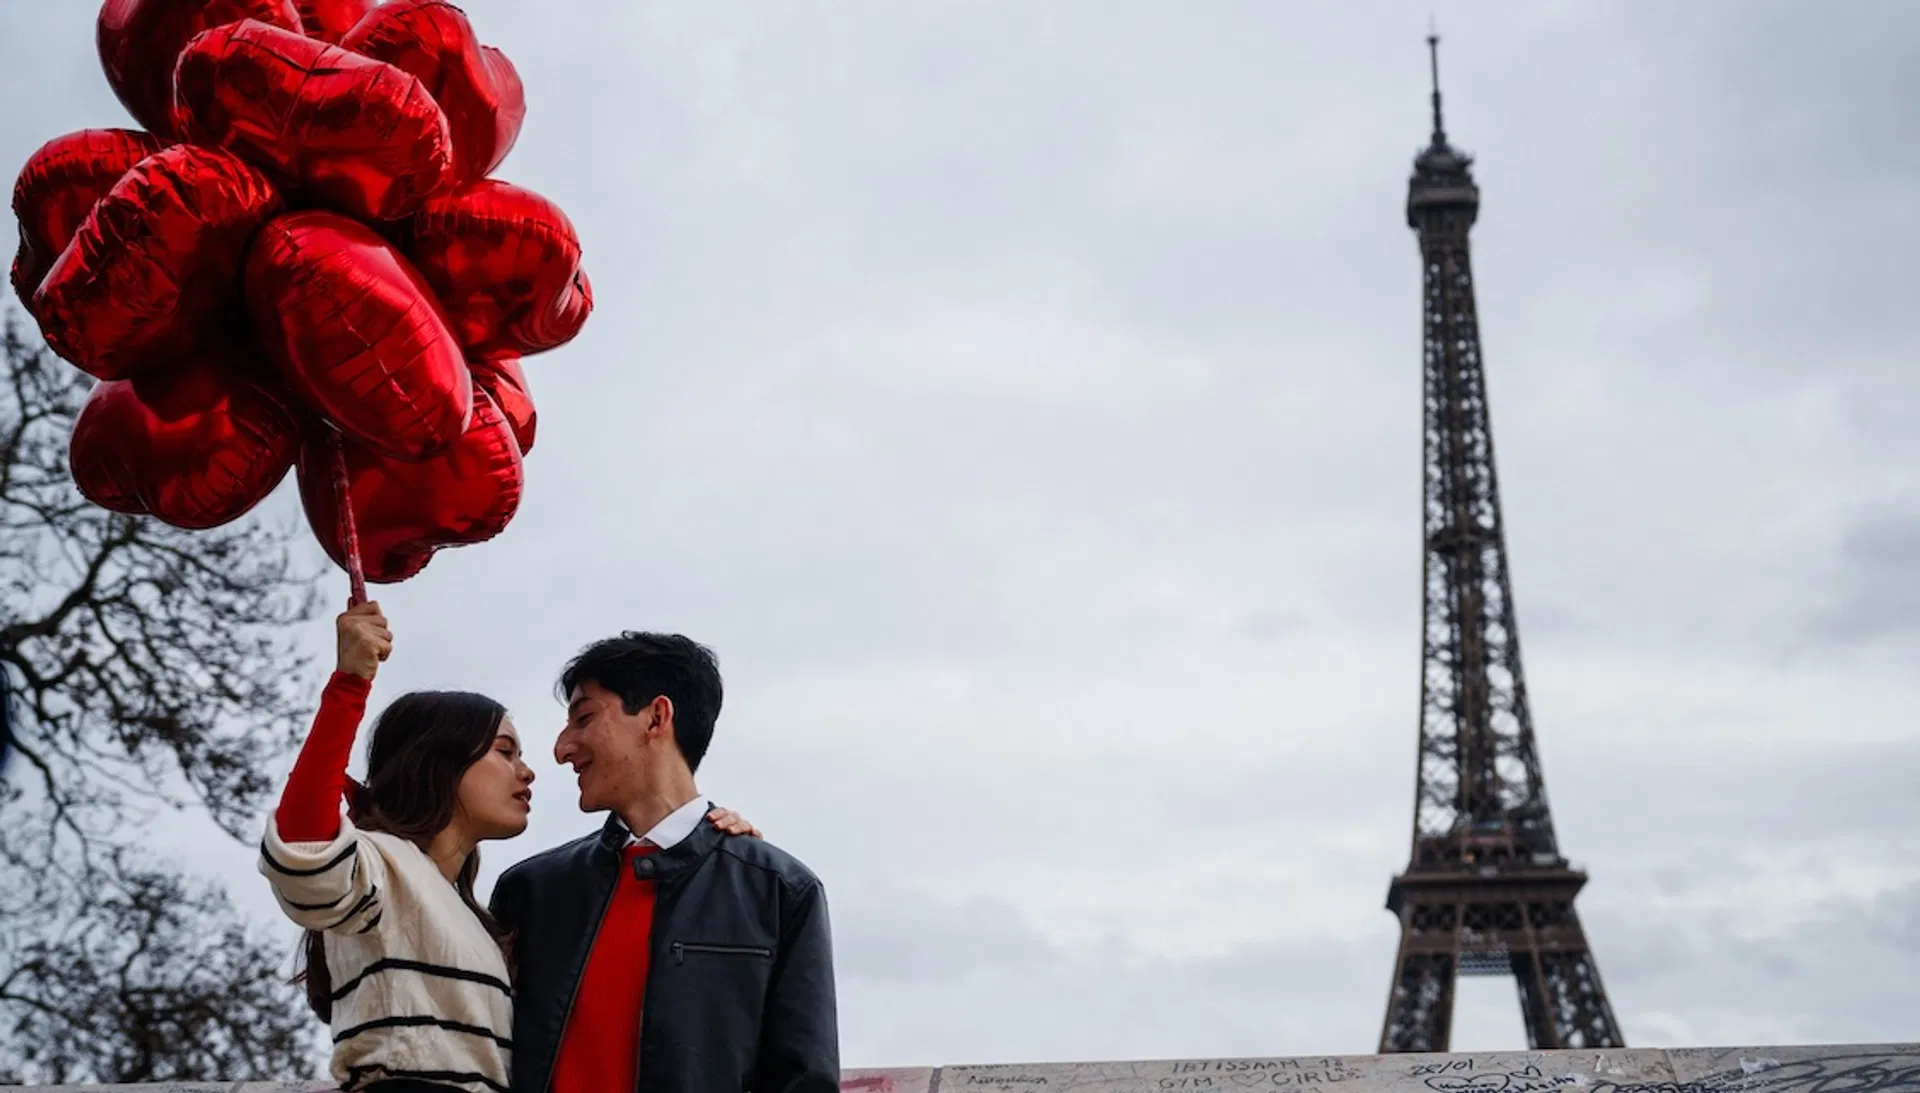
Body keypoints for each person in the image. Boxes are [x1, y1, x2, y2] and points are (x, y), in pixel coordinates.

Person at [259, 603, 759, 1093]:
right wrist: (350, 683)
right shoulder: (383, 867)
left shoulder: (478, 916)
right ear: (438, 763)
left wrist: (713, 852)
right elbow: (304, 845)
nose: (530, 769)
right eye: (504, 751)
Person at [489, 631, 839, 1093]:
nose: (561, 748)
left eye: (584, 718)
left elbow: (803, 1081)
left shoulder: (781, 892)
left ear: (656, 717)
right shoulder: (530, 891)